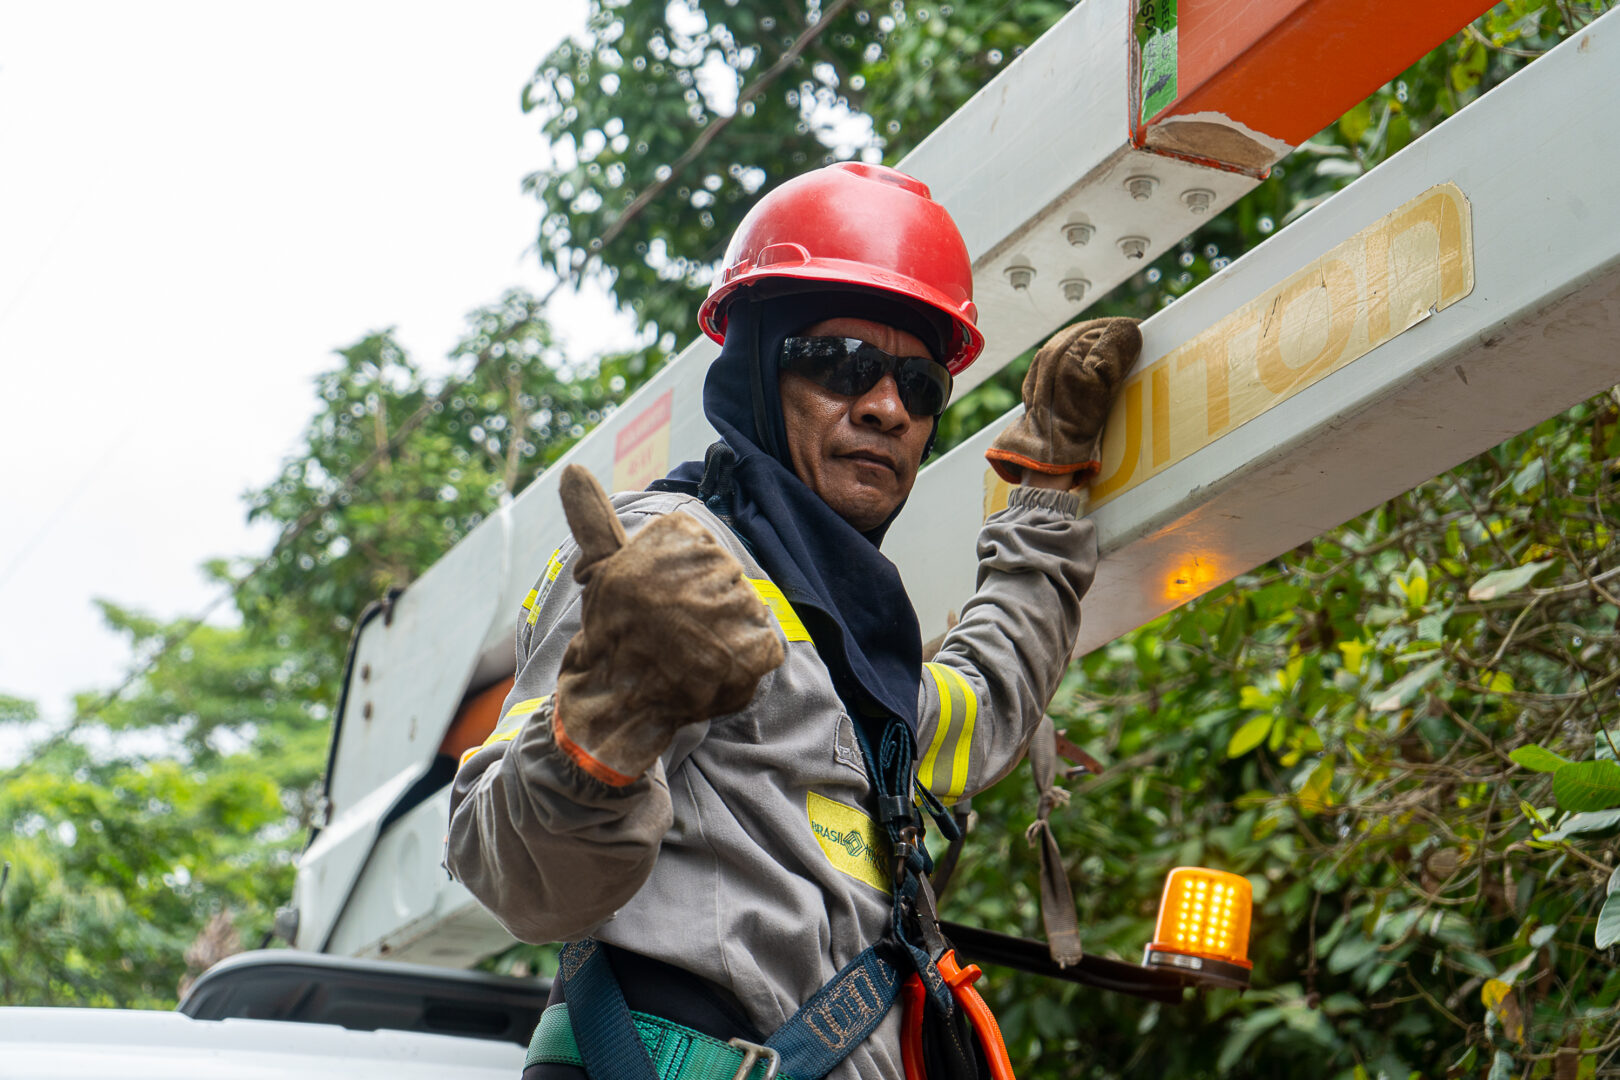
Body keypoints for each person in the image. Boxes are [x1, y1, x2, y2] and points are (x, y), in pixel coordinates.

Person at [446, 161, 1142, 1080]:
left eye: (919, 384)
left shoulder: (858, 665)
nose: (887, 406)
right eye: (843, 364)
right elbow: (520, 874)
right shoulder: (666, 562)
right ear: (758, 371)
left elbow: (983, 700)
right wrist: (606, 723)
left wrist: (1048, 489)